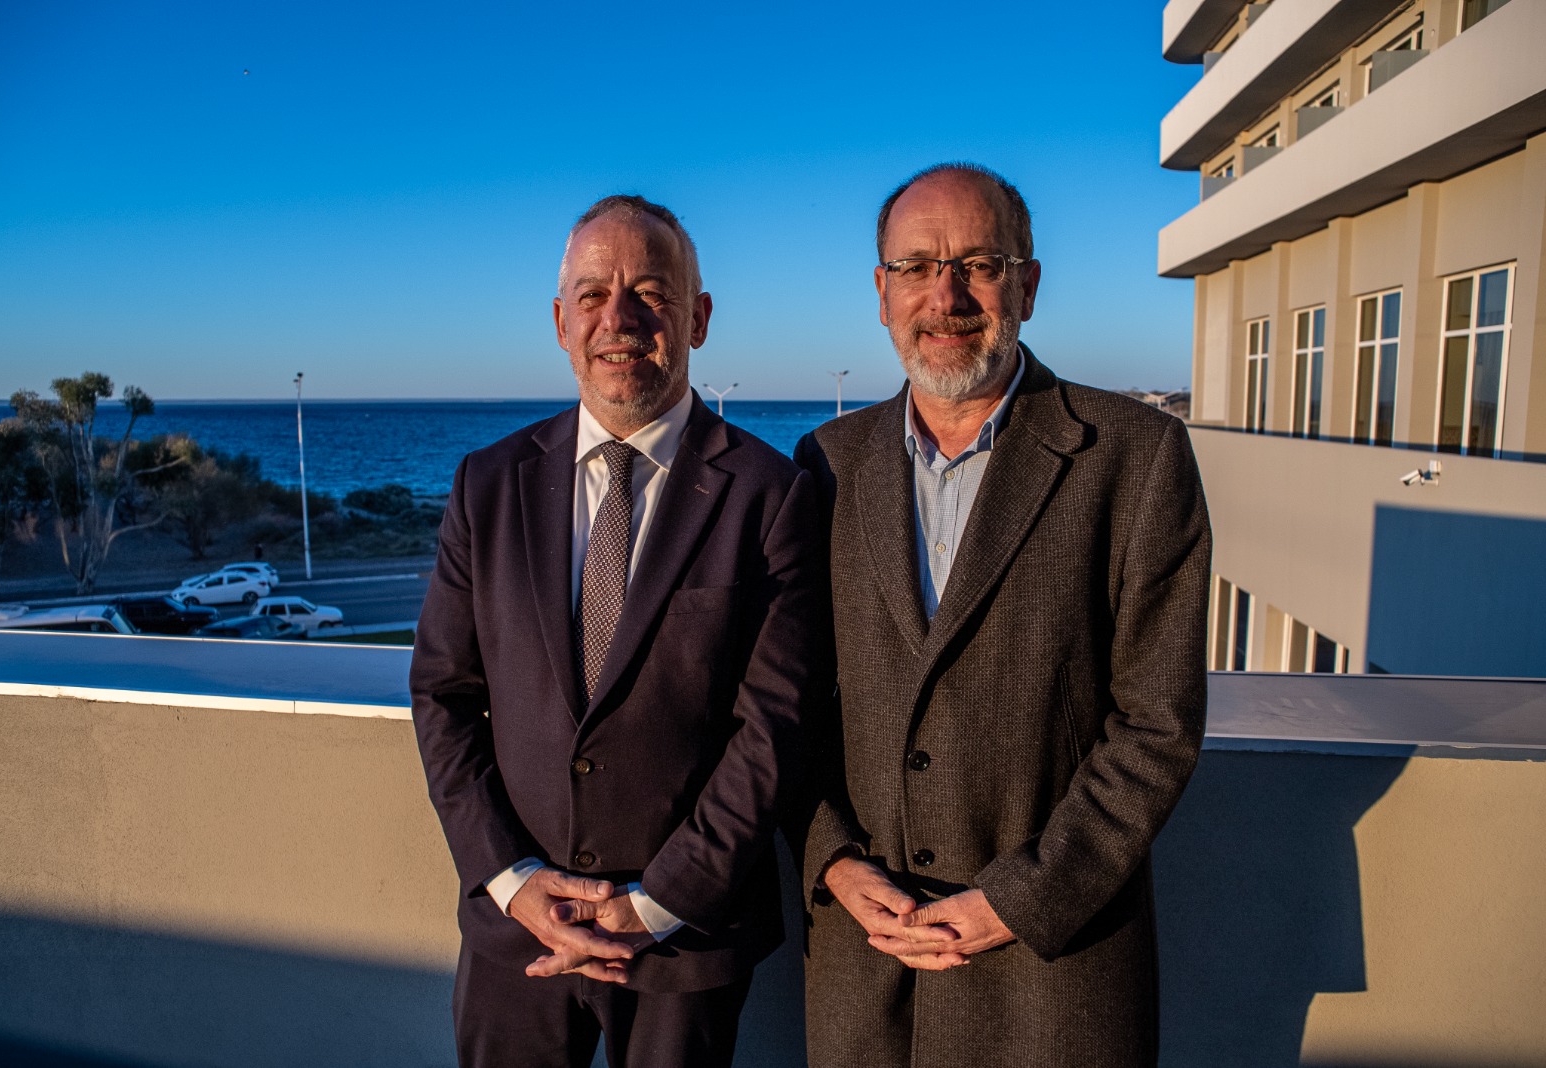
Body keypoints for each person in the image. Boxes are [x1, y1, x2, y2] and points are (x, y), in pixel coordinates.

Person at [793, 163, 1212, 1067]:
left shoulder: (1136, 458)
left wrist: (1015, 902)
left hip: (1054, 982)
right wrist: (831, 858)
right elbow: (793, 702)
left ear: (1027, 282)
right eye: (916, 268)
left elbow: (1158, 724)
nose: (945, 296)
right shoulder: (826, 462)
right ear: (881, 293)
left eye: (978, 263)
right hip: (869, 977)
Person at [410, 194, 823, 1068]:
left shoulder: (771, 495)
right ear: (561, 323)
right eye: (593, 294)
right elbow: (443, 696)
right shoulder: (487, 487)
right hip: (515, 933)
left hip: (681, 939)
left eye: (652, 292)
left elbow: (774, 729)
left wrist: (658, 901)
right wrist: (513, 881)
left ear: (698, 318)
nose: (620, 319)